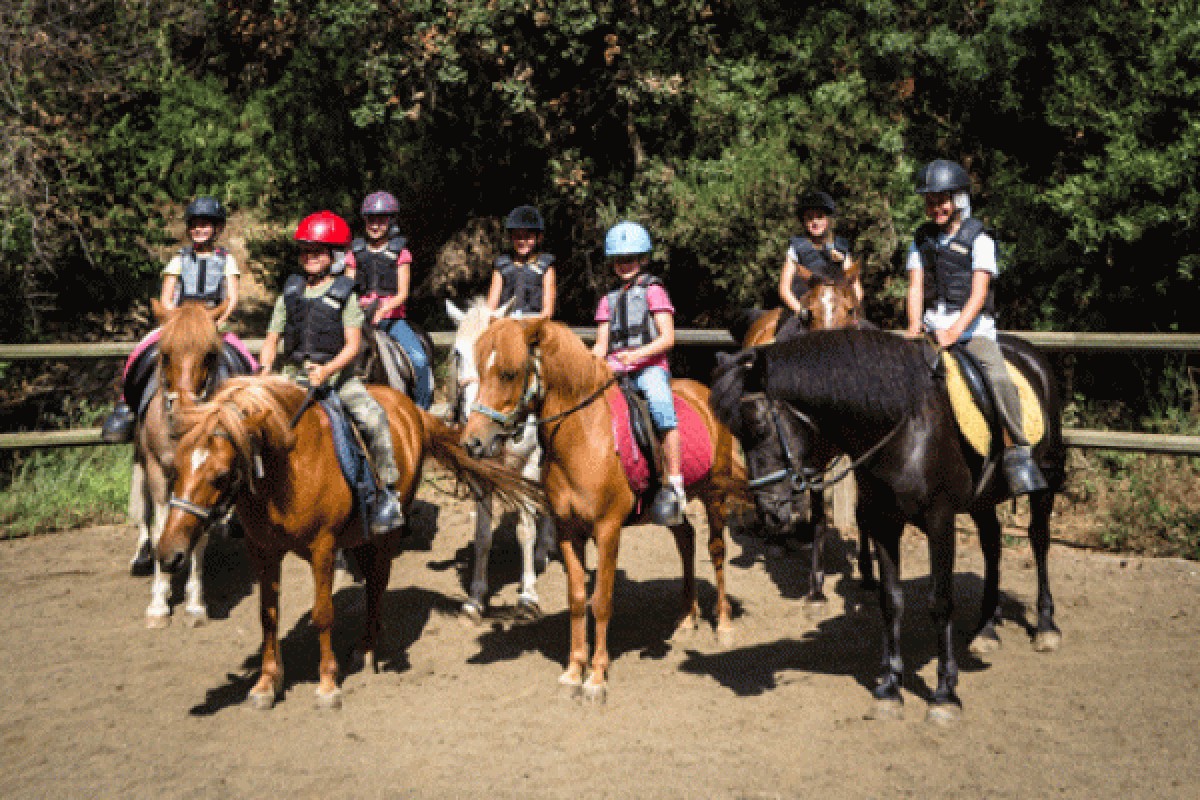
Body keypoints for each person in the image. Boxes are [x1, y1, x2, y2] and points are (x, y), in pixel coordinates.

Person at [903, 158, 1047, 494]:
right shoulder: (920, 240)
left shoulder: (980, 239)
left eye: (942, 199)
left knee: (997, 376)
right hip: (932, 327)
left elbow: (979, 293)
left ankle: (1018, 451)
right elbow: (915, 287)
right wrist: (912, 328)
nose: (936, 207)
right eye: (930, 200)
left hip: (972, 330)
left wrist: (955, 333)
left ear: (958, 199)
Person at [258, 210, 404, 534]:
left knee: (373, 418)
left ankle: (388, 494)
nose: (310, 257)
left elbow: (352, 346)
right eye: (306, 251)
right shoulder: (291, 292)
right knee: (252, 421)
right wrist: (265, 370)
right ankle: (246, 495)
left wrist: (327, 370)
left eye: (317, 251)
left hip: (337, 378)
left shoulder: (345, 293)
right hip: (293, 376)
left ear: (334, 255)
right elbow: (271, 339)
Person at [101, 196, 256, 443]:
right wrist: (174, 321)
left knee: (245, 357)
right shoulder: (179, 259)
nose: (199, 230)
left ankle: (252, 408)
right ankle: (125, 405)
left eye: (205, 225)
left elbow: (232, 298)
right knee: (140, 351)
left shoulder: (226, 260)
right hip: (179, 320)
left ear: (217, 228)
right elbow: (166, 297)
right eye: (194, 225)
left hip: (211, 321)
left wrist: (214, 323)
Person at [591, 220, 685, 526]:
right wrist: (590, 364)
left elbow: (667, 338)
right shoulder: (608, 299)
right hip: (616, 368)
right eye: (619, 260)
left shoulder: (653, 291)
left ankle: (674, 480)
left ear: (643, 258)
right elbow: (602, 344)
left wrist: (638, 355)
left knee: (660, 406)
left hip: (649, 367)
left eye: (630, 258)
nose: (624, 264)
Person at [347, 190, 433, 409]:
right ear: (365, 221)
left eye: (381, 220)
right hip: (360, 320)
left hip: (391, 319)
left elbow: (403, 293)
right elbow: (348, 289)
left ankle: (422, 409)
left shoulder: (400, 253)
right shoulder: (354, 253)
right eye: (371, 219)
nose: (375, 225)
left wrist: (382, 310)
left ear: (390, 221)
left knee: (420, 360)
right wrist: (357, 311)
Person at [778, 189, 863, 324]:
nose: (815, 222)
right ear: (804, 221)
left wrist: (851, 310)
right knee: (784, 337)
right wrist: (801, 311)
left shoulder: (841, 247)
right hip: (806, 310)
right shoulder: (796, 248)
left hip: (837, 312)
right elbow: (784, 289)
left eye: (819, 216)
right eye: (810, 218)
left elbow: (855, 286)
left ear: (827, 219)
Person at [486, 205, 557, 320]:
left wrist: (536, 324)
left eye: (528, 237)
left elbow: (548, 309)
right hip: (506, 321)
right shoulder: (501, 265)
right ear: (511, 237)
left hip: (535, 322)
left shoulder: (546, 265)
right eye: (518, 237)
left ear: (538, 237)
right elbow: (491, 306)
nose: (522, 241)